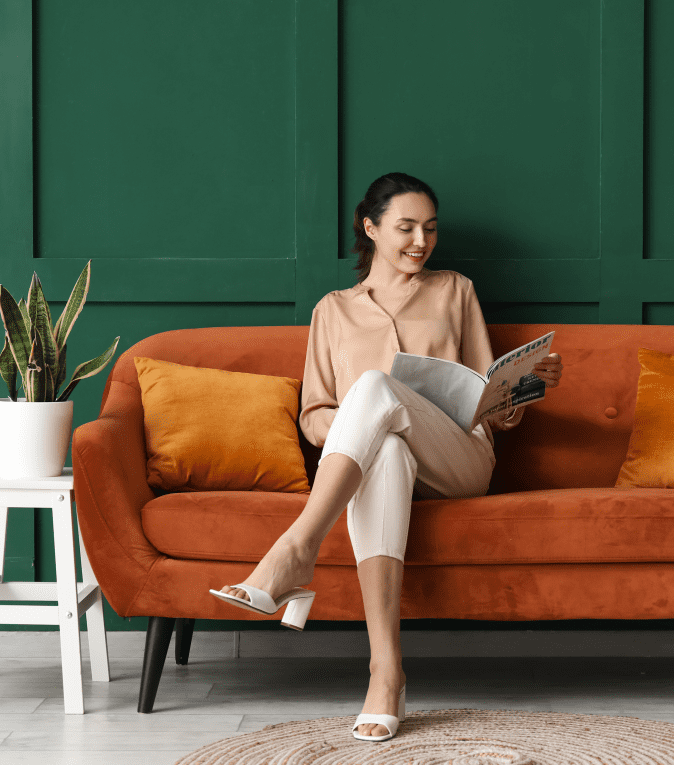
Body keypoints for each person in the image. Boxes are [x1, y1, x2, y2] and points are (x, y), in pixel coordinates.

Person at [211, 172, 563, 742]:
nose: (420, 241)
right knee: (386, 439)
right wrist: (362, 423)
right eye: (406, 227)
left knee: (374, 388)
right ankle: (386, 673)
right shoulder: (333, 310)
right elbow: (314, 414)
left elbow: (487, 399)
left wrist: (526, 387)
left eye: (430, 228)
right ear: (370, 228)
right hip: (381, 466)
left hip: (459, 460)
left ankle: (296, 550)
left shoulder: (456, 291)